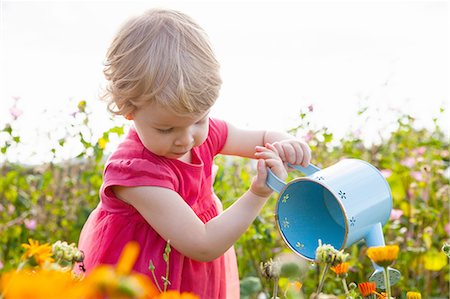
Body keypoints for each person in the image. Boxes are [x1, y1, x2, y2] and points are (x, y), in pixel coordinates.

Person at [78, 8, 311, 298]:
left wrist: (285, 143)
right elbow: (202, 244)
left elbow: (262, 138)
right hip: (142, 278)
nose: (187, 139)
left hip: (192, 274)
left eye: (200, 120)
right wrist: (258, 193)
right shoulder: (135, 173)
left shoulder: (199, 132)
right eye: (166, 129)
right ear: (129, 110)